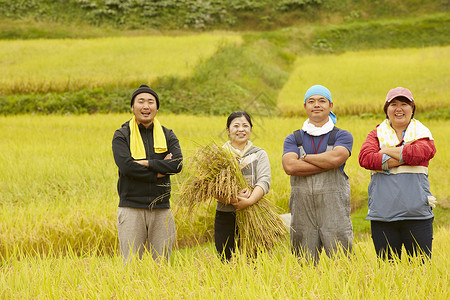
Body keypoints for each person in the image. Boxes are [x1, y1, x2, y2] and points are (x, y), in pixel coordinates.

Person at [359, 87, 436, 261]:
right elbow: (365, 158)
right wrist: (405, 155)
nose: (399, 108)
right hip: (383, 213)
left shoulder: (423, 134)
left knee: (420, 270)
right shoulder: (376, 134)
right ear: (386, 109)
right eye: (393, 104)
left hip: (417, 214)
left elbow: (422, 152)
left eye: (404, 104)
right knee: (387, 270)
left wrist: (385, 151)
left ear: (412, 108)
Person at [282, 84, 353, 263]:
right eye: (311, 101)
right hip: (302, 210)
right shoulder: (294, 138)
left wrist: (304, 158)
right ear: (305, 106)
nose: (317, 105)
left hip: (334, 209)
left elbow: (337, 159)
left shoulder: (342, 136)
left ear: (331, 106)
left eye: (322, 101)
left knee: (341, 261)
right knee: (302, 263)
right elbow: (290, 166)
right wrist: (326, 162)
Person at [112, 84, 183, 263]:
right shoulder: (122, 135)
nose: (146, 106)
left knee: (162, 265)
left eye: (151, 102)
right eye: (141, 101)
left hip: (161, 209)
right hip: (131, 208)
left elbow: (177, 164)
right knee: (130, 265)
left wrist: (147, 163)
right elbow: (127, 167)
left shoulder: (167, 135)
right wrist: (159, 171)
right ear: (132, 107)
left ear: (156, 108)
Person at [215, 111, 271, 261]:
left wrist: (249, 200)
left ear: (251, 129)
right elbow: (211, 186)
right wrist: (233, 199)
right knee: (225, 260)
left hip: (254, 211)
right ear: (227, 130)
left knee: (253, 261)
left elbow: (264, 181)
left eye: (245, 126)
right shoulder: (219, 155)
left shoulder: (259, 154)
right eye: (236, 126)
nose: (241, 129)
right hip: (225, 213)